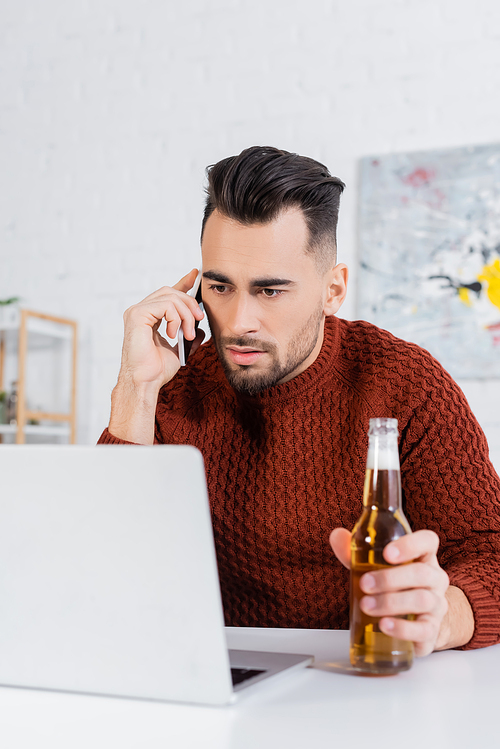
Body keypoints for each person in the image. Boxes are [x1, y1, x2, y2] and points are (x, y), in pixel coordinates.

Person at [99, 145, 500, 655]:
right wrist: (136, 387)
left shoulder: (407, 384)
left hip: (364, 681)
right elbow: (105, 564)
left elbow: (490, 554)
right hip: (215, 678)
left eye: (270, 291)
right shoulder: (174, 384)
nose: (239, 321)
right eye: (220, 286)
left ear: (333, 290)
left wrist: (443, 618)